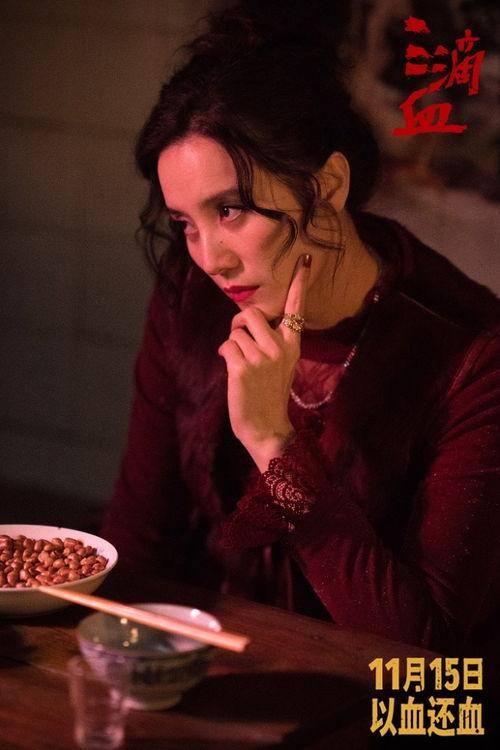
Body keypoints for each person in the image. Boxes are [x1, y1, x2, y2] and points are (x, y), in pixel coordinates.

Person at [101, 1, 500, 700]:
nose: (210, 259)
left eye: (230, 210)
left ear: (329, 186)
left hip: (407, 707)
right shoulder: (191, 296)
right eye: (185, 223)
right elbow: (142, 531)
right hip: (226, 663)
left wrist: (275, 446)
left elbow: (423, 652)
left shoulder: (472, 354)